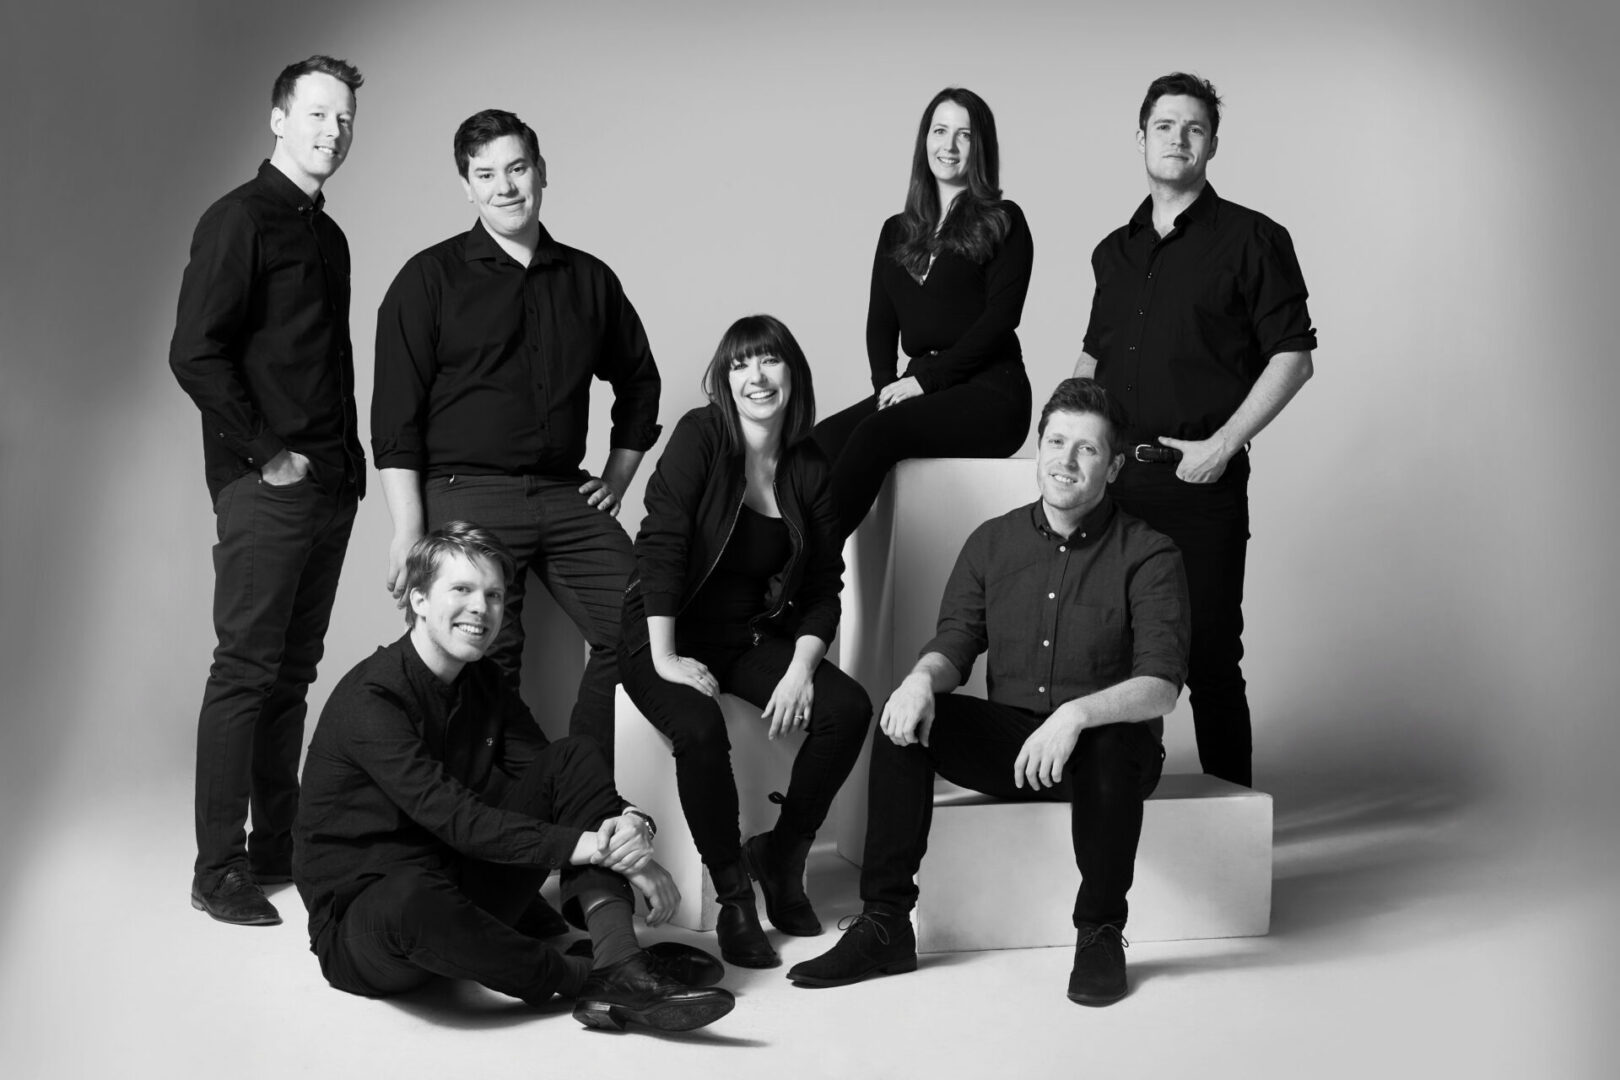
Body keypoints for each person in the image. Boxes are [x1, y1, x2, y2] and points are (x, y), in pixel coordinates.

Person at [788, 379, 1189, 1006]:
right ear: (1038, 449)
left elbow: (1161, 687)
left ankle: (1102, 932)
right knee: (906, 718)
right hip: (1019, 747)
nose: (1066, 460)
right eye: (1056, 441)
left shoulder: (1150, 553)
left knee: (1110, 745)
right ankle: (886, 923)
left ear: (1112, 467)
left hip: (1109, 752)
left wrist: (1076, 715)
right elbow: (955, 642)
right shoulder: (992, 542)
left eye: (1087, 450)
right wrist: (920, 680)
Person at [292, 523, 735, 1033]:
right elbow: (460, 820)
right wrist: (594, 848)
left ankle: (620, 959)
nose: (481, 608)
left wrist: (631, 826)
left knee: (575, 756)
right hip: (369, 925)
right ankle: (585, 976)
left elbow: (561, 779)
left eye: (494, 594)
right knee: (409, 897)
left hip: (459, 882)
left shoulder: (482, 681)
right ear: (417, 599)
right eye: (461, 589)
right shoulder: (371, 699)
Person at [372, 107, 661, 770]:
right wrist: (408, 529)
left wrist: (615, 480)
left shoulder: (589, 279)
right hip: (466, 492)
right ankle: (505, 816)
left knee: (642, 624)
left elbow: (640, 383)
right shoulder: (428, 279)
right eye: (485, 174)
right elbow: (395, 417)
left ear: (541, 172)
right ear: (466, 188)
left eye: (516, 168)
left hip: (565, 495)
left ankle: (577, 786)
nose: (504, 186)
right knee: (480, 654)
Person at [1075, 72, 1317, 787]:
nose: (1177, 139)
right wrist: (1065, 442)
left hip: (1196, 481)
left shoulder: (1253, 239)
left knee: (1209, 658)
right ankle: (1119, 814)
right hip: (1113, 483)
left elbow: (1293, 357)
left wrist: (1222, 446)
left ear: (1212, 144)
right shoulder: (1112, 252)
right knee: (1110, 654)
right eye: (1165, 126)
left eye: (1194, 128)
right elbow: (1094, 355)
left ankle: (1236, 824)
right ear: (1141, 136)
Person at [170, 55, 367, 926]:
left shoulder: (329, 236)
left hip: (330, 488)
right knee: (245, 672)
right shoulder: (237, 220)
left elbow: (329, 360)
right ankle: (217, 870)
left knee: (292, 674)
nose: (334, 131)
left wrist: (349, 463)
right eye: (318, 114)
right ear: (279, 119)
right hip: (268, 486)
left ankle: (274, 847)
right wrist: (267, 456)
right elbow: (194, 352)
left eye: (345, 119)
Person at [619, 315, 872, 969]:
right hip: (662, 629)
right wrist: (669, 657)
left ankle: (782, 856)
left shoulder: (810, 465)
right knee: (700, 729)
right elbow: (664, 544)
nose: (755, 376)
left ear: (792, 374)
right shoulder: (702, 436)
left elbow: (823, 584)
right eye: (740, 364)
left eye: (769, 360)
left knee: (846, 708)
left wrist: (799, 669)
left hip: (748, 638)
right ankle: (734, 897)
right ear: (724, 379)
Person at [812, 87, 1034, 539]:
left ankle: (803, 578)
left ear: (981, 147)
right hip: (920, 389)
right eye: (939, 131)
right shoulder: (895, 231)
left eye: (964, 135)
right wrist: (885, 389)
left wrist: (923, 383)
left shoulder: (1004, 220)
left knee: (878, 435)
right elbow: (880, 325)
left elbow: (1000, 320)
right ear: (924, 140)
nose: (948, 146)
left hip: (992, 393)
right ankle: (771, 565)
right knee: (814, 447)